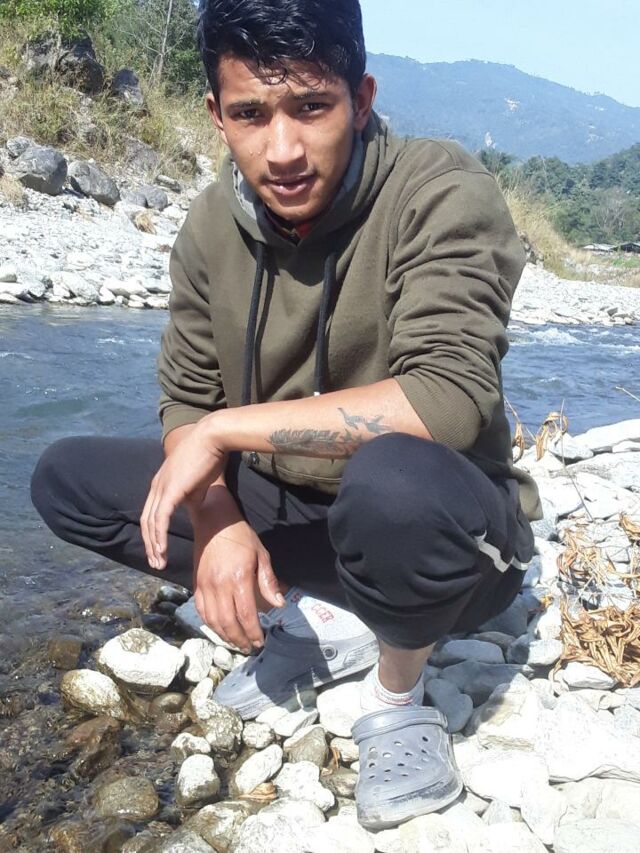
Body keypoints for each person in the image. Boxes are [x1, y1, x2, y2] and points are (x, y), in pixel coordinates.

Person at [31, 0, 540, 830]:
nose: (284, 150)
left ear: (360, 99)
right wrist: (218, 519)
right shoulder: (210, 226)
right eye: (251, 114)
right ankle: (327, 617)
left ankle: (398, 694)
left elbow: (446, 400)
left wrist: (223, 432)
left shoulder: (440, 190)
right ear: (215, 115)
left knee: (393, 485)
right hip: (297, 509)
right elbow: (187, 397)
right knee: (67, 479)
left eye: (311, 106)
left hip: (444, 527)